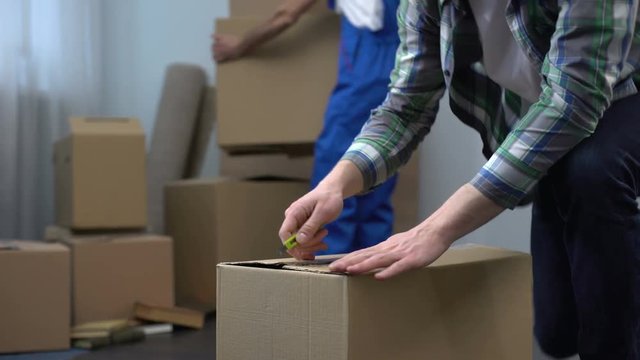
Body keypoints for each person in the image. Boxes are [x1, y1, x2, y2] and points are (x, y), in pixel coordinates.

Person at [279, 0, 640, 358]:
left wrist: (434, 230)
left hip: (623, 94)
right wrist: (336, 185)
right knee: (558, 332)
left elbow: (573, 102)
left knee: (591, 171)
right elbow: (406, 107)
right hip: (549, 121)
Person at [213, 0, 401, 254]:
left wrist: (239, 46)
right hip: (400, 67)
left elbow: (286, 15)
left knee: (335, 167)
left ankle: (326, 269)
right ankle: (372, 275)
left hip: (366, 69)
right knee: (377, 176)